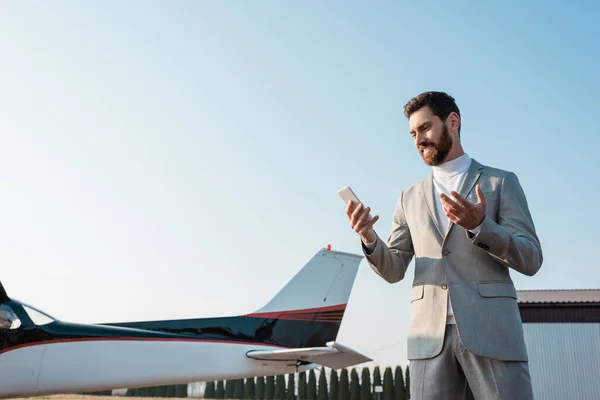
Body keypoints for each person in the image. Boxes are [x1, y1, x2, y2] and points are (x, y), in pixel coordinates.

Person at [345, 91, 542, 399]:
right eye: (412, 133)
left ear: (453, 122)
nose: (418, 139)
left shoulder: (499, 183)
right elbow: (394, 268)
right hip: (428, 340)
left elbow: (531, 258)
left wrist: (480, 225)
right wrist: (369, 238)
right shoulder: (407, 198)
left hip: (492, 331)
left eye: (425, 128)